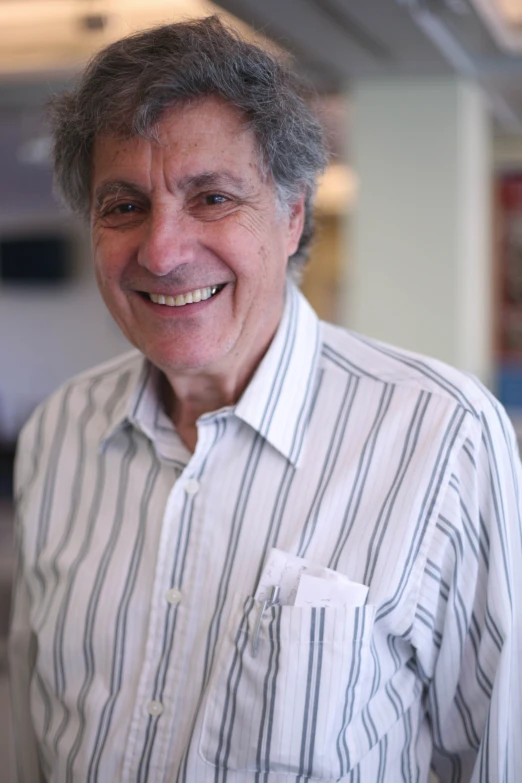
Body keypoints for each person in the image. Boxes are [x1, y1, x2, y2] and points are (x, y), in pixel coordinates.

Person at [8, 15, 522, 783]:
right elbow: (27, 734)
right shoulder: (59, 434)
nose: (162, 250)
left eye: (212, 197)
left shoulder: (441, 435)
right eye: (124, 206)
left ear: (291, 216)